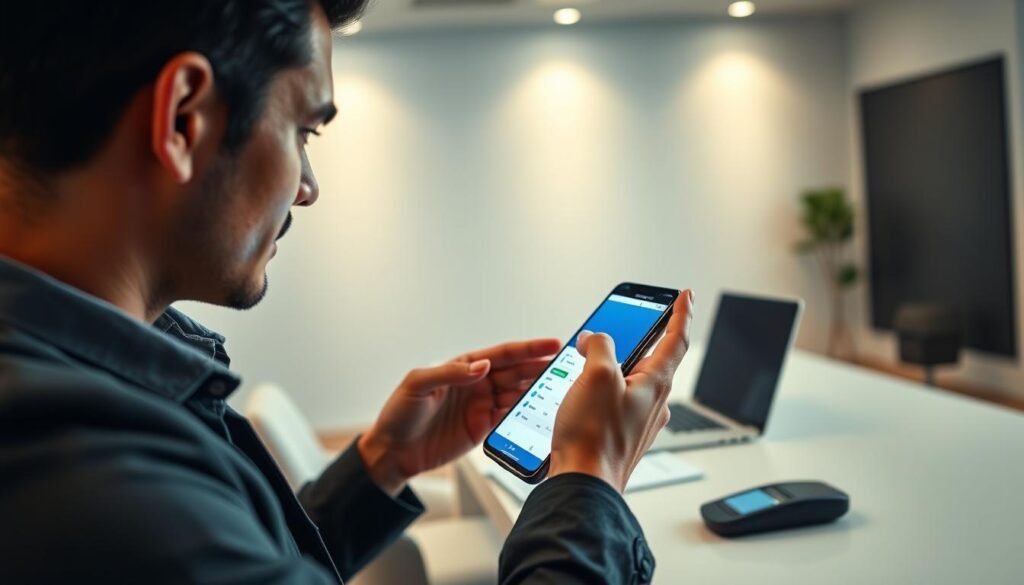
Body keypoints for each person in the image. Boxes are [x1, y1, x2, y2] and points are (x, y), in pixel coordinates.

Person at [0, 1, 693, 583]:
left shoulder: (86, 413)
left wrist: (381, 464)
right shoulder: (96, 482)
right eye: (303, 131)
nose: (308, 185)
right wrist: (587, 485)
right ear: (185, 118)